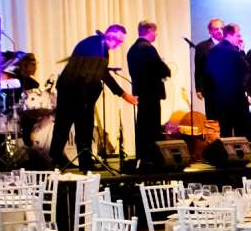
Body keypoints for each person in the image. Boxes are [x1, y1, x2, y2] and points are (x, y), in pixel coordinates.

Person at [50, 23, 130, 170]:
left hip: (71, 88)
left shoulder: (93, 42)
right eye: (118, 41)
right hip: (77, 91)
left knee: (65, 124)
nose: (118, 45)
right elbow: (102, 73)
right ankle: (83, 162)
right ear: (111, 35)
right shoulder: (99, 47)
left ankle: (58, 158)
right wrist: (123, 94)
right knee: (82, 126)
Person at [125, 21, 170, 166]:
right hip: (151, 93)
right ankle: (152, 157)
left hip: (141, 92)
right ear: (149, 30)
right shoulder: (148, 48)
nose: (156, 34)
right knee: (152, 126)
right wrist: (166, 68)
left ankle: (142, 155)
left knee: (142, 125)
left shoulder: (132, 50)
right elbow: (161, 69)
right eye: (155, 32)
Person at [198, 23, 249, 139]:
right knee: (240, 129)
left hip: (219, 96)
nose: (240, 39)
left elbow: (208, 72)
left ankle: (226, 153)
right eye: (238, 35)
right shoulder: (234, 51)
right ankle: (240, 154)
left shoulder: (213, 50)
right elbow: (245, 68)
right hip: (235, 97)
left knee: (224, 129)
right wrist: (242, 51)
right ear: (230, 35)